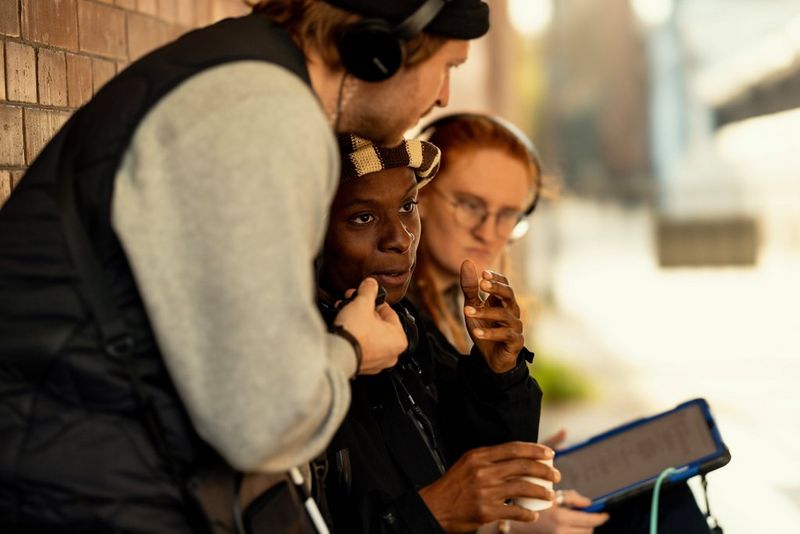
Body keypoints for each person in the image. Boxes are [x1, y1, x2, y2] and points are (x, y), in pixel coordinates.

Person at [0, 1, 491, 532]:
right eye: (447, 67)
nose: (443, 95)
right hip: (79, 487)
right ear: (381, 49)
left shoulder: (246, 83)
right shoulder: (261, 113)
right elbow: (263, 420)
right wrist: (351, 350)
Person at [411, 113, 713, 534]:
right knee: (662, 514)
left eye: (508, 215)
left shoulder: (461, 311)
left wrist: (520, 456)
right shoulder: (401, 318)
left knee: (661, 490)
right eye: (470, 205)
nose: (488, 231)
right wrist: (512, 527)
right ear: (418, 194)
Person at [314, 133, 559, 534]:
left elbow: (471, 468)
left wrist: (498, 373)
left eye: (407, 206)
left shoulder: (404, 320)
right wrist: (429, 515)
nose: (401, 238)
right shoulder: (304, 357)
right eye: (362, 217)